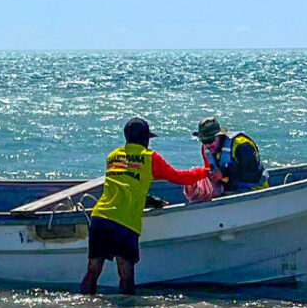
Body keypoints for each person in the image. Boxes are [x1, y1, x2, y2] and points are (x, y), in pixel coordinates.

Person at [80, 118, 210, 295]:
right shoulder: (150, 159)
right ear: (145, 139)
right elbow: (180, 178)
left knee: (93, 271)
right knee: (126, 276)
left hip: (100, 218)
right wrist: (206, 172)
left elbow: (126, 185)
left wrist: (150, 200)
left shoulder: (113, 157)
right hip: (124, 222)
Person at [195, 117, 265, 193]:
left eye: (210, 140)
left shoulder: (242, 145)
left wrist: (223, 174)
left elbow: (251, 174)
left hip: (254, 188)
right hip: (229, 189)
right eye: (204, 141)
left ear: (219, 136)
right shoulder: (206, 149)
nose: (208, 145)